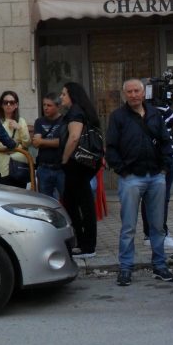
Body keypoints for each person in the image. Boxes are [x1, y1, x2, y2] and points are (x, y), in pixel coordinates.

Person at [106, 79, 173, 285]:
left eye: (137, 91)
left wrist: (165, 168)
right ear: (124, 94)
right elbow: (111, 147)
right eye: (130, 91)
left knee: (157, 226)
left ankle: (160, 266)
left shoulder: (155, 114)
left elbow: (166, 141)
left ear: (144, 92)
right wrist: (122, 170)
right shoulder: (118, 117)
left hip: (156, 176)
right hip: (131, 178)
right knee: (128, 226)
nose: (134, 95)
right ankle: (126, 268)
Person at [141, 91, 173, 250]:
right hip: (164, 159)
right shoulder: (162, 109)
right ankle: (162, 234)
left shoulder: (138, 110)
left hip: (145, 159)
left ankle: (149, 234)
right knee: (163, 198)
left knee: (147, 198)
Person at [59, 82, 101, 257]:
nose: (61, 97)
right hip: (84, 164)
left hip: (76, 163)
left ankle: (87, 245)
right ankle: (83, 242)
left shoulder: (75, 111)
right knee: (74, 201)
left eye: (63, 94)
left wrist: (64, 159)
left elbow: (74, 137)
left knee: (80, 203)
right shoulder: (82, 110)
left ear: (72, 96)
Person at [32, 93, 67, 200]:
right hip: (44, 168)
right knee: (46, 202)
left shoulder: (65, 121)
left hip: (61, 168)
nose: (45, 108)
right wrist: (53, 142)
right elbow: (36, 143)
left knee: (67, 201)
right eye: (44, 105)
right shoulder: (39, 121)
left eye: (49, 105)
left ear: (58, 106)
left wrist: (42, 141)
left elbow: (62, 142)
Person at [0, 90, 31, 188]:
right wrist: (18, 145)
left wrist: (19, 128)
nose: (8, 105)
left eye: (12, 102)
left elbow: (27, 143)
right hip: (3, 168)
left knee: (20, 199)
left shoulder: (21, 121)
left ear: (16, 105)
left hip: (19, 167)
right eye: (5, 102)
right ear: (1, 105)